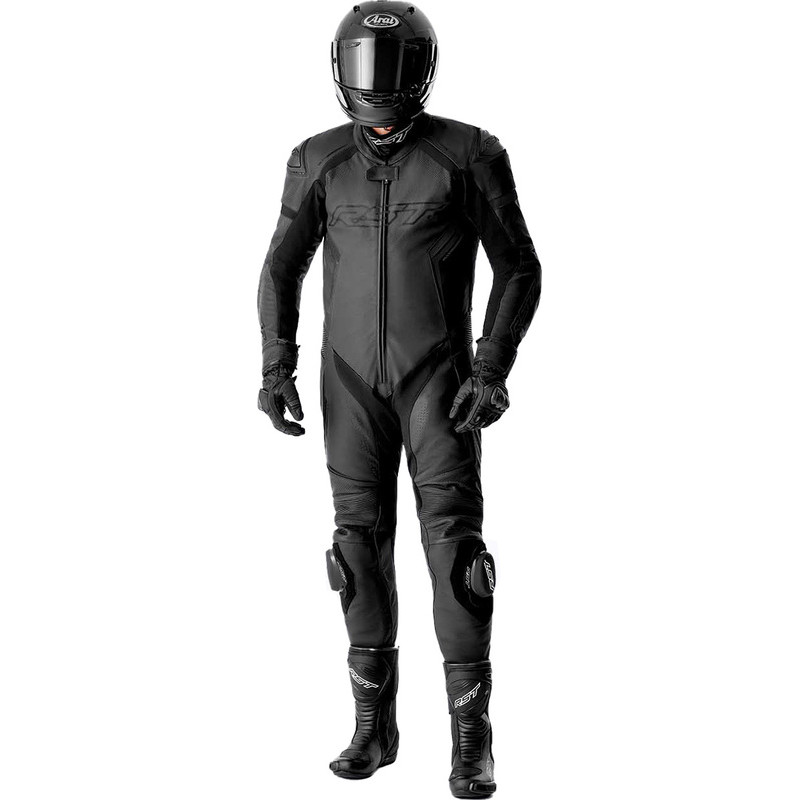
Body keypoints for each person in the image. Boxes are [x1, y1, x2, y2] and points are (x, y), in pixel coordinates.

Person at [257, 2, 541, 796]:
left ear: (422, 70)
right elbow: (280, 265)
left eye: (389, 67)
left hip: (439, 384)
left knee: (454, 552)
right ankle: (373, 729)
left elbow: (519, 266)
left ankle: (471, 742)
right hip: (349, 386)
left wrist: (491, 368)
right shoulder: (316, 158)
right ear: (338, 67)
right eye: (362, 65)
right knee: (355, 548)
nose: (374, 83)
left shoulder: (468, 152)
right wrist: (276, 364)